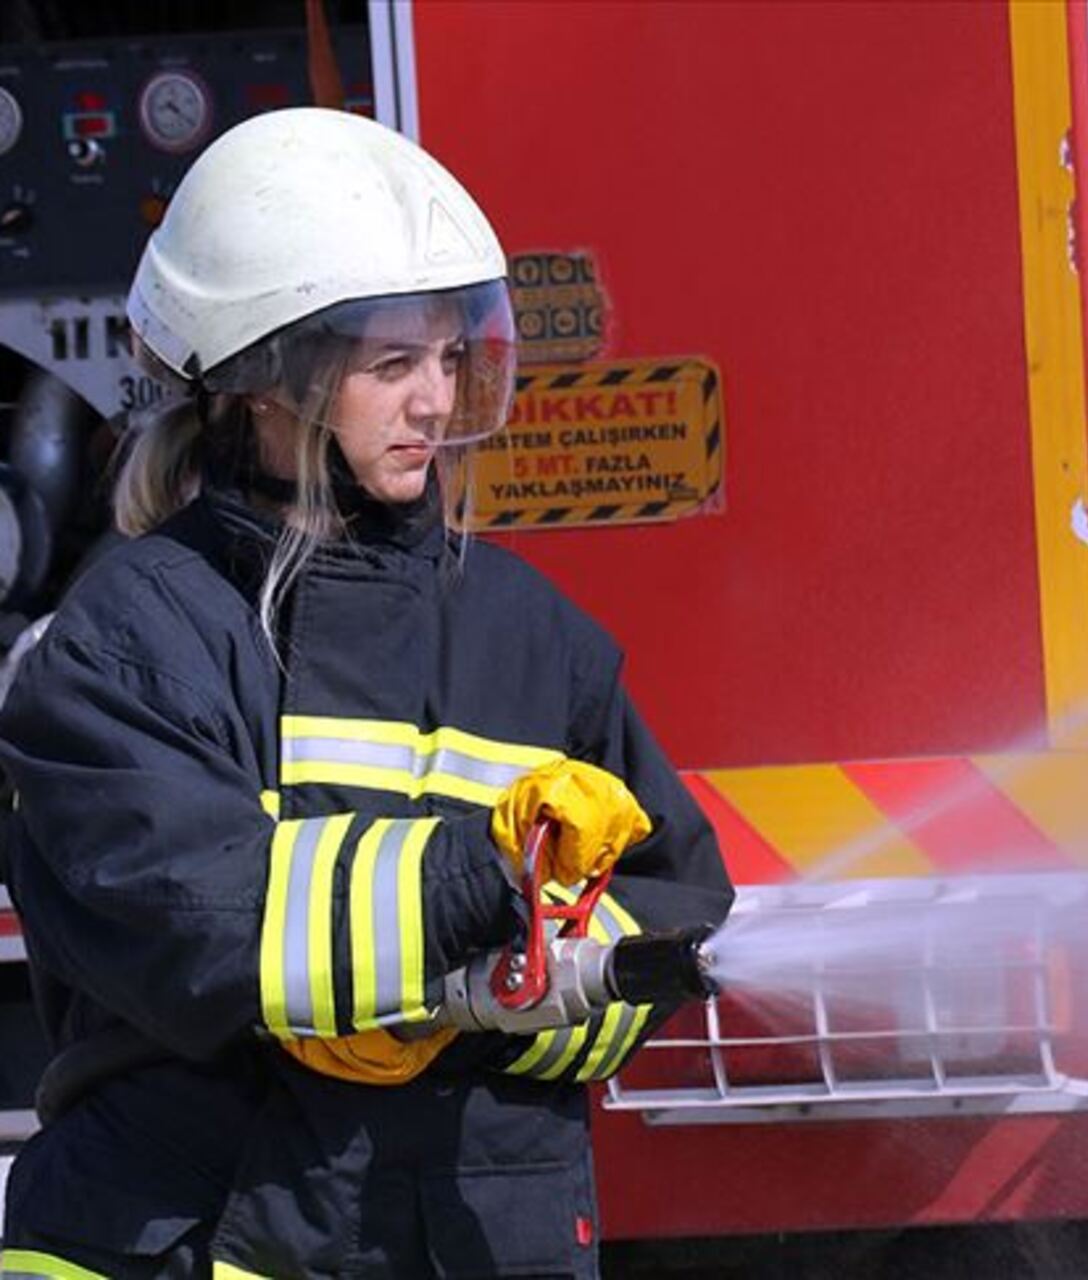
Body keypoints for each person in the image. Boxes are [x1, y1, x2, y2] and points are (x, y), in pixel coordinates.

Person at [0, 107, 733, 1279]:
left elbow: (672, 900)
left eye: (451, 358)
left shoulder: (534, 637)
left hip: (480, 1232)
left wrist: (530, 988)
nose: (436, 403)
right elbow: (198, 915)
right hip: (207, 1227)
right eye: (392, 364)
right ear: (265, 377)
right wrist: (481, 884)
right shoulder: (133, 636)